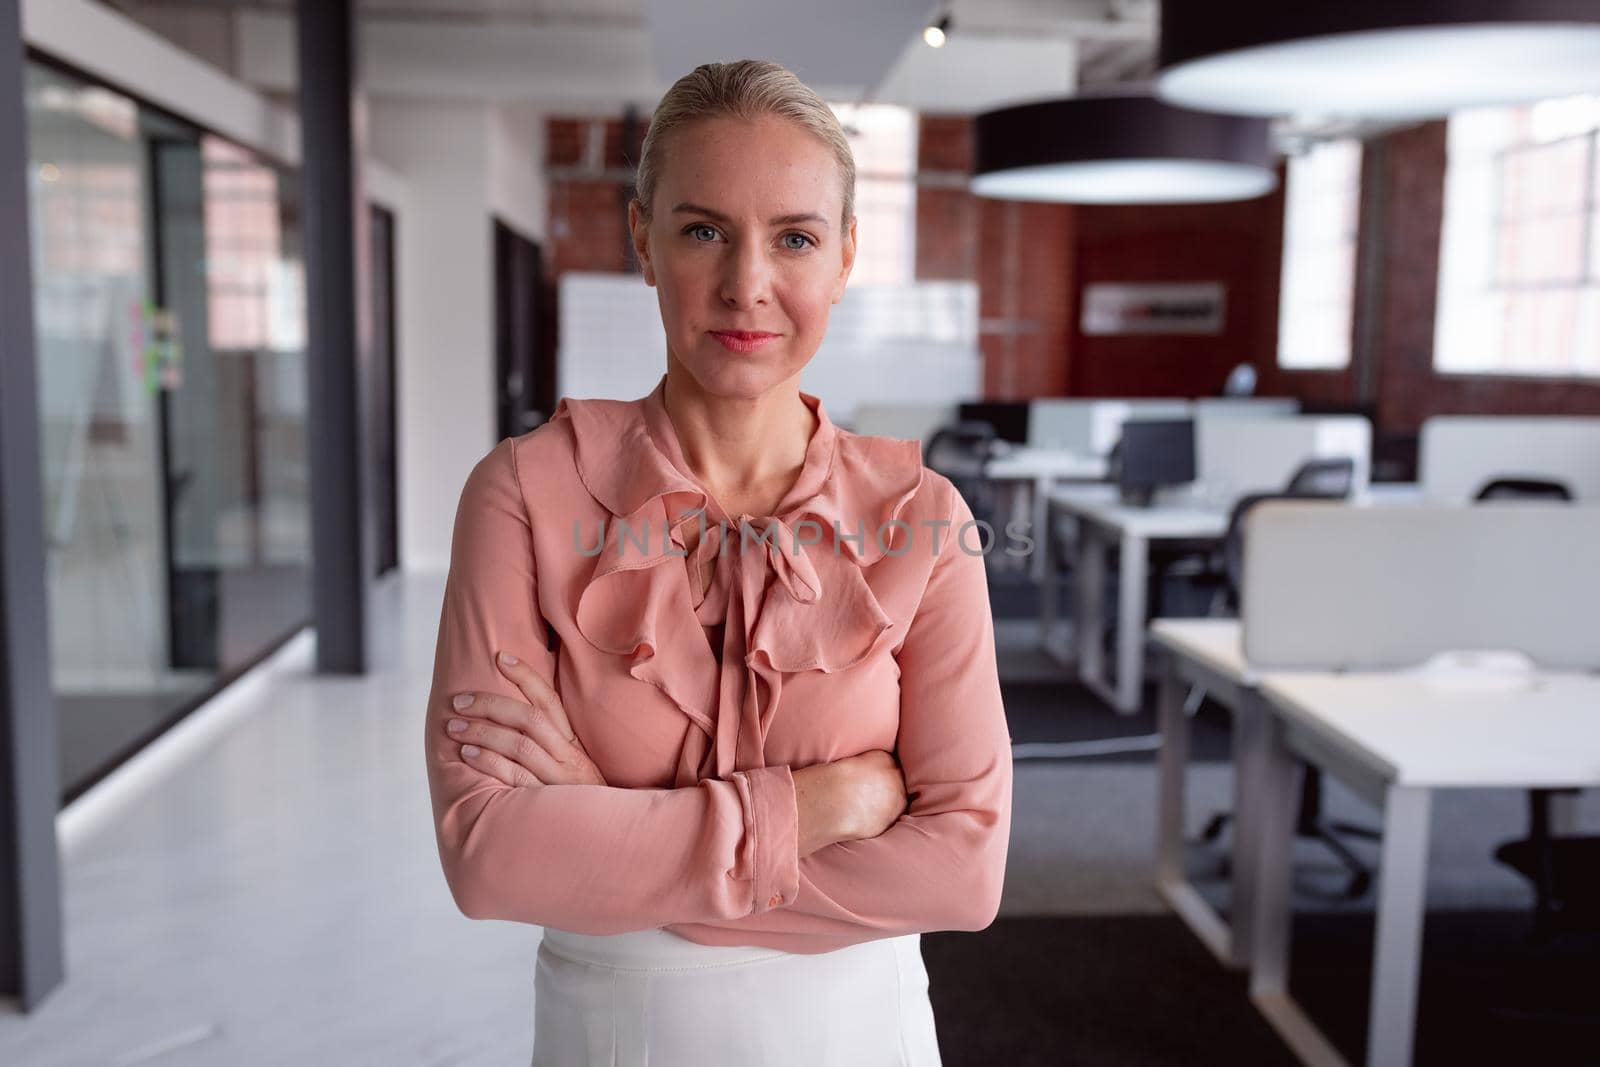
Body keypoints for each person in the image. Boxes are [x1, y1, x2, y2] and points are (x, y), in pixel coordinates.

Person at [423, 58, 1013, 1067]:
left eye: (794, 237)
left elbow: (963, 874)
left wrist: (620, 838)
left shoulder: (922, 518)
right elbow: (491, 859)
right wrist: (823, 807)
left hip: (860, 1030)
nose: (748, 284)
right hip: (620, 1036)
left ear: (843, 257)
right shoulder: (522, 494)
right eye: (704, 230)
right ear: (642, 239)